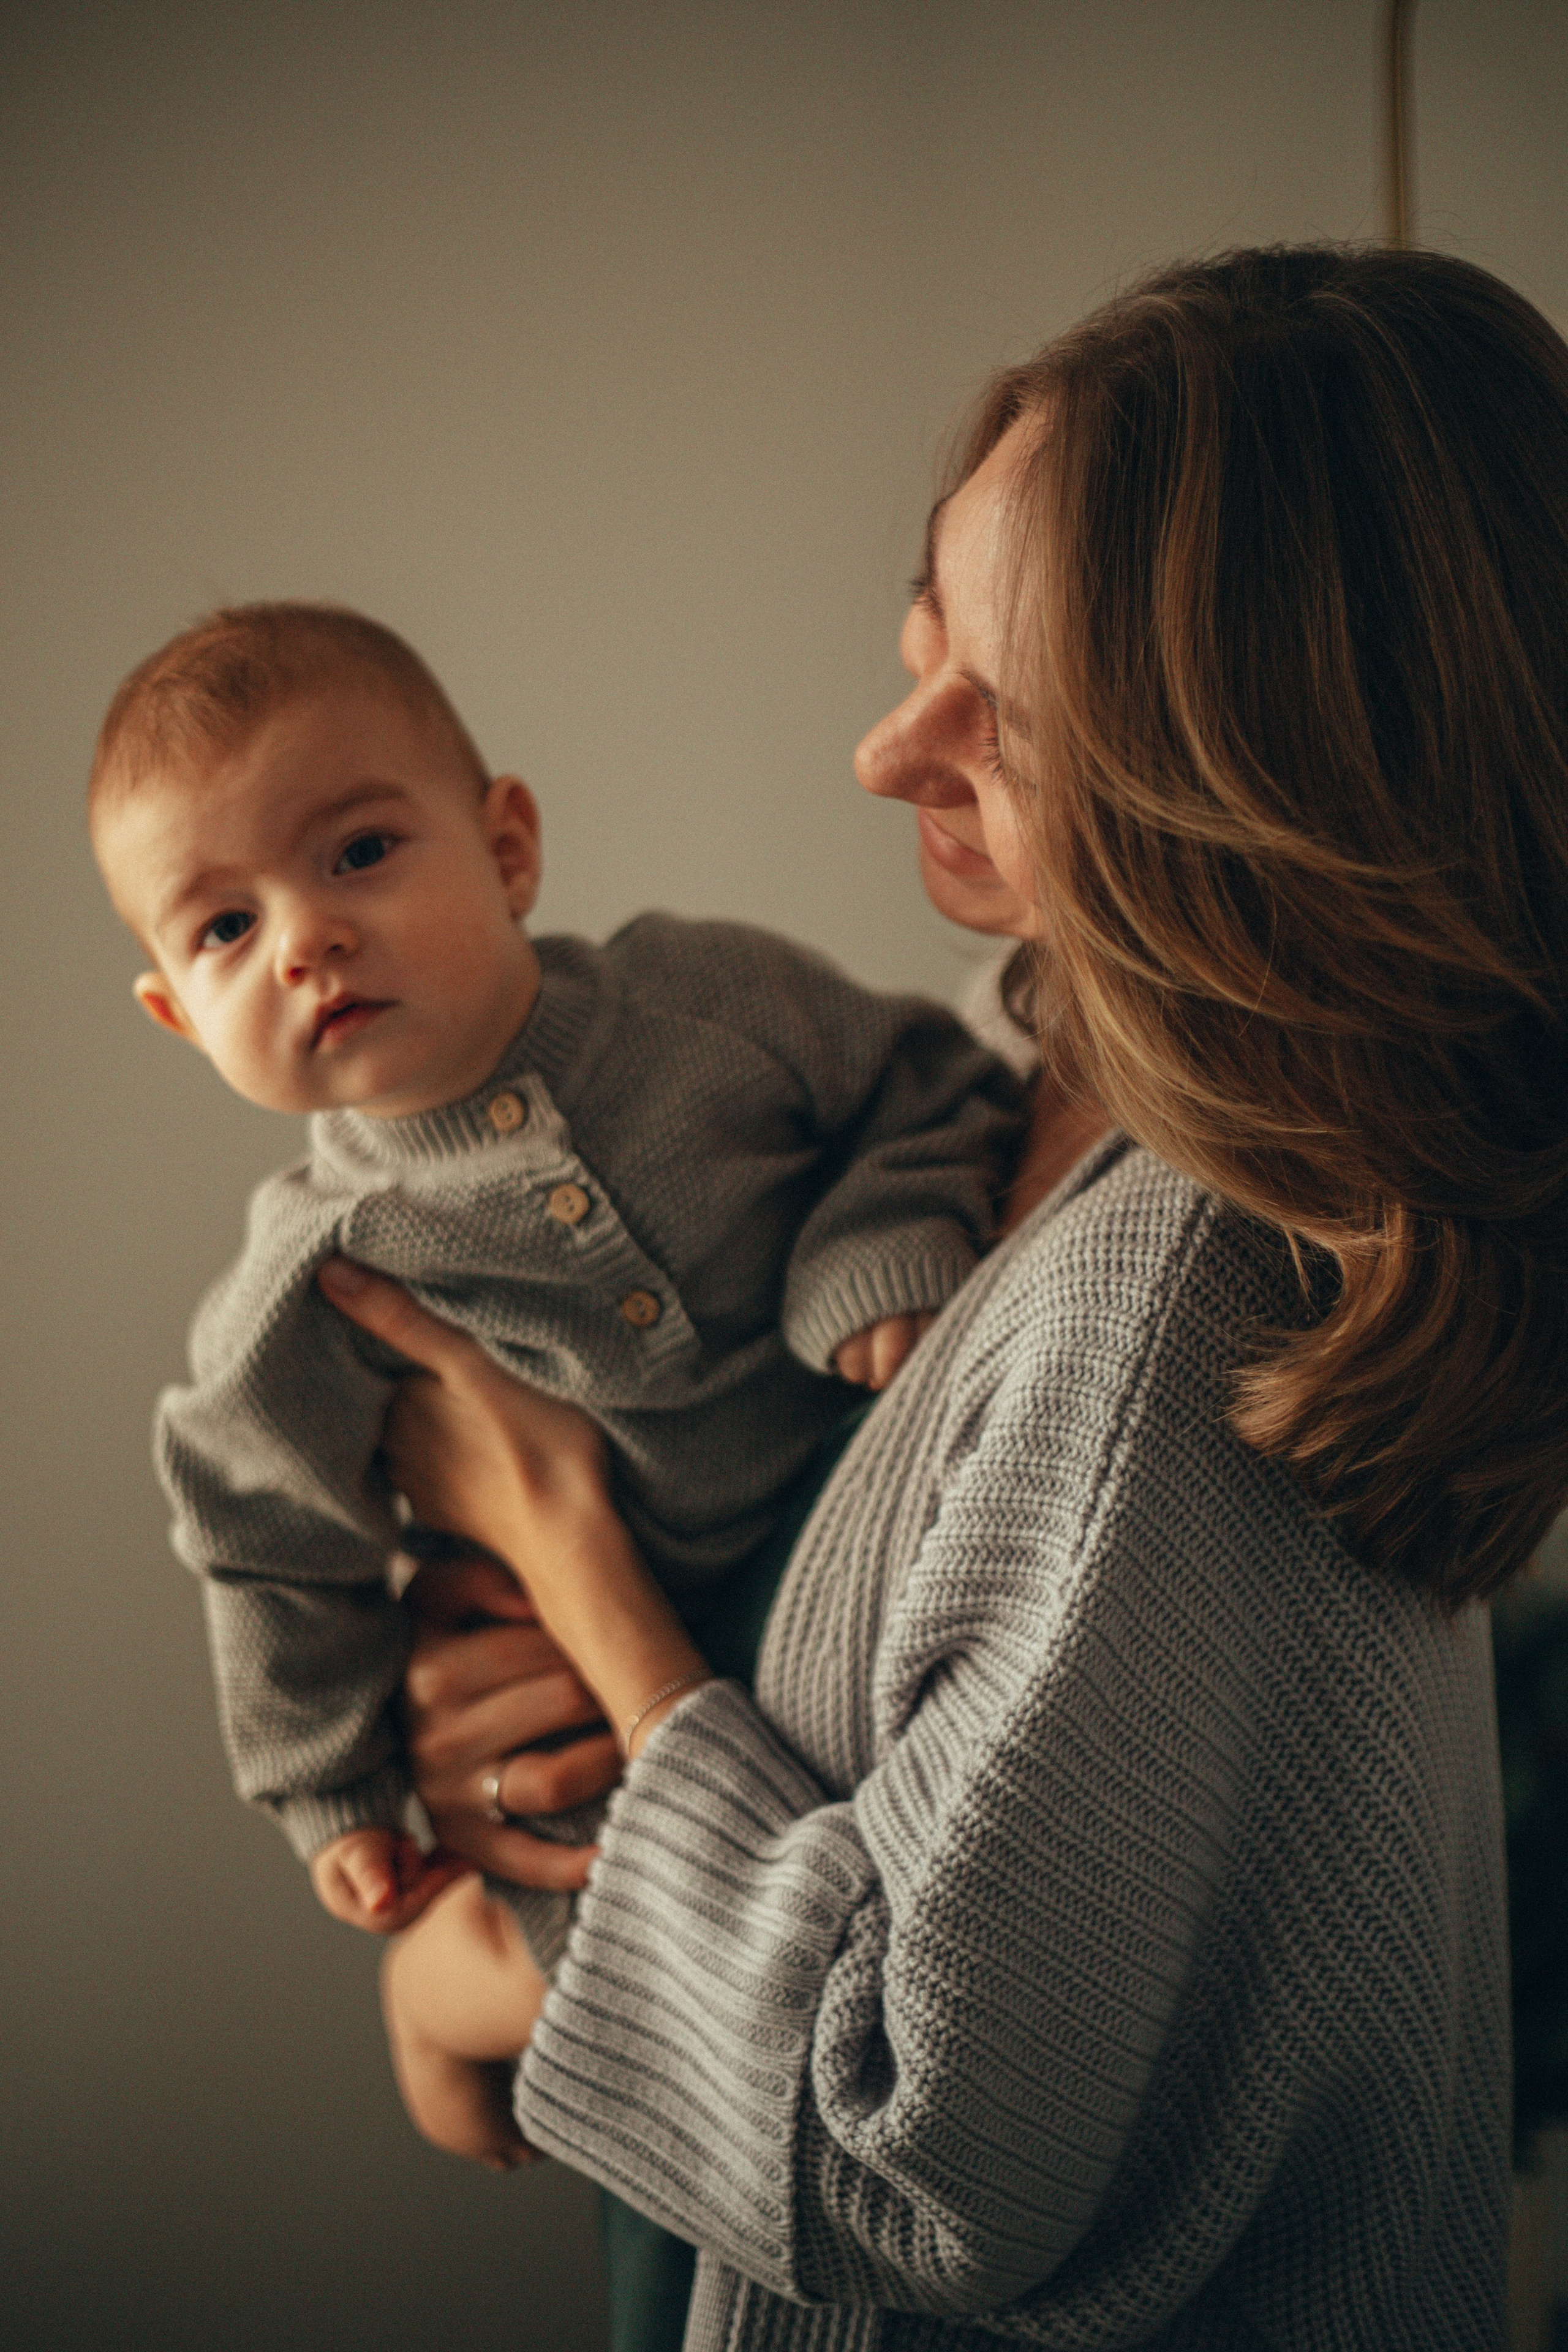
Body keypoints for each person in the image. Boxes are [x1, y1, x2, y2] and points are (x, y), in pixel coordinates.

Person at [327, 244, 1568, 2348]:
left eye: (1006, 699)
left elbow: (906, 2142)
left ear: (1247, 752)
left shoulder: (1175, 1290)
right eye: (924, 647)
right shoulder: (986, 1167)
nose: (887, 748)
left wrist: (558, 1593)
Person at [87, 603, 1022, 1975]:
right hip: (582, 1696)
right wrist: (328, 1787)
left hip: (876, 1563)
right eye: (225, 927)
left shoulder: (709, 999)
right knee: (633, 1930)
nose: (306, 941)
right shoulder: (309, 1284)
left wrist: (870, 1245)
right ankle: (516, 2043)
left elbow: (928, 1083)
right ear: (177, 1010)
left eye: (358, 854)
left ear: (506, 848)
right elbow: (264, 1540)